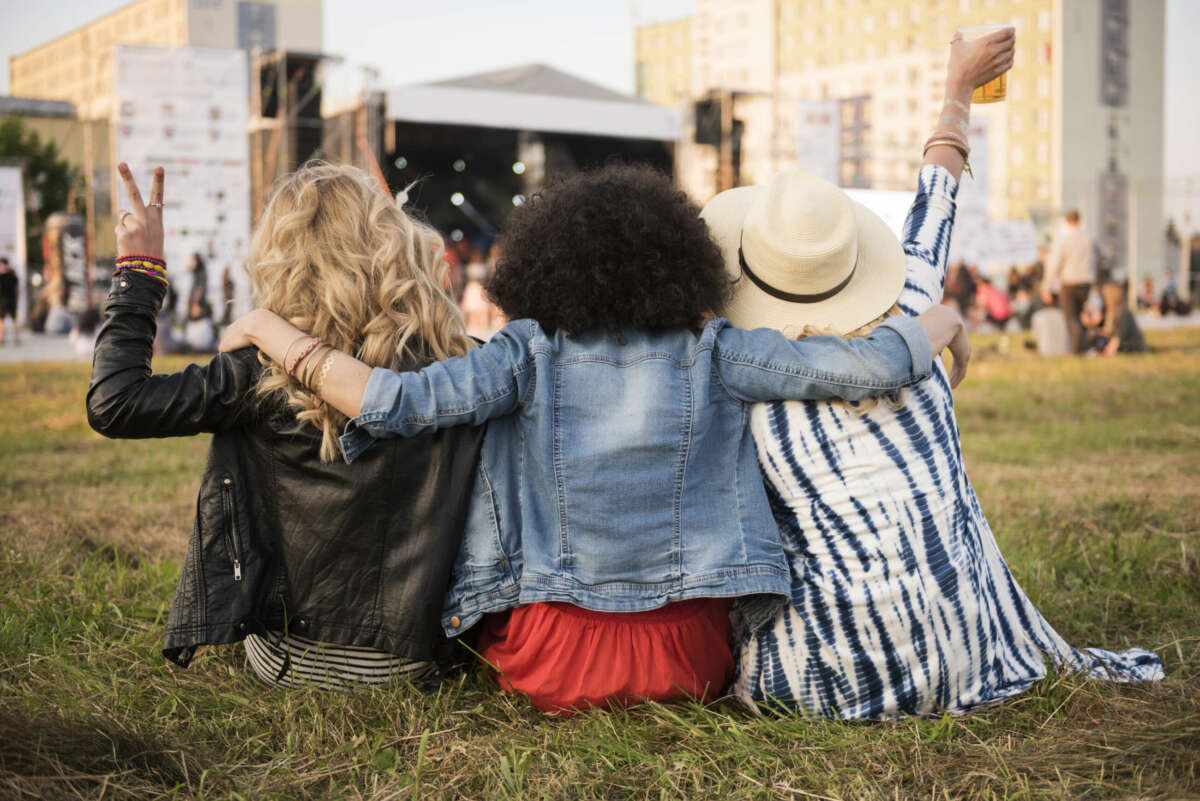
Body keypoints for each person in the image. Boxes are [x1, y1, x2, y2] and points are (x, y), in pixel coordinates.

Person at [220, 165, 970, 715]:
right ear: (683, 261)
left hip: (548, 659)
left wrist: (268, 329)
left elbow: (392, 403)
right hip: (692, 660)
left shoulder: (522, 351)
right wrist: (947, 322)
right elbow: (863, 367)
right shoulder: (717, 351)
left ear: (546, 262)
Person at [701, 26, 1162, 719]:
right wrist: (958, 88)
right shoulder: (914, 302)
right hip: (968, 656)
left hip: (819, 683)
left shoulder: (730, 365)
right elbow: (936, 193)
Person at [88, 162, 486, 690]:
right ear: (393, 241)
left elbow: (114, 403)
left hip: (291, 659)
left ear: (282, 256)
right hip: (416, 658)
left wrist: (139, 271)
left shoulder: (259, 372)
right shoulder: (456, 364)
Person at [1043, 210, 1096, 354]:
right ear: (1079, 220)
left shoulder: (1063, 239)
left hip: (1069, 281)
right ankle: (1084, 347)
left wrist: (1047, 286)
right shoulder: (1089, 238)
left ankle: (1075, 349)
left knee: (1071, 318)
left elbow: (1054, 264)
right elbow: (1099, 259)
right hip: (1086, 282)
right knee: (1082, 316)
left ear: (1066, 221)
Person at [1099, 281, 1146, 355]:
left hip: (1131, 346)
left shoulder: (1121, 313)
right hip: (1121, 344)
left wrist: (1105, 352)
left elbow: (1117, 338)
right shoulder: (1112, 311)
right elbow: (1108, 332)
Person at [0, 257, 18, 345]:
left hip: (4, 301)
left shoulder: (2, 276)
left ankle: (2, 339)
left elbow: (17, 289)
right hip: (10, 300)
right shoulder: (13, 275)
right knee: (11, 320)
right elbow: (18, 289)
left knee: (2, 321)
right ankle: (14, 339)